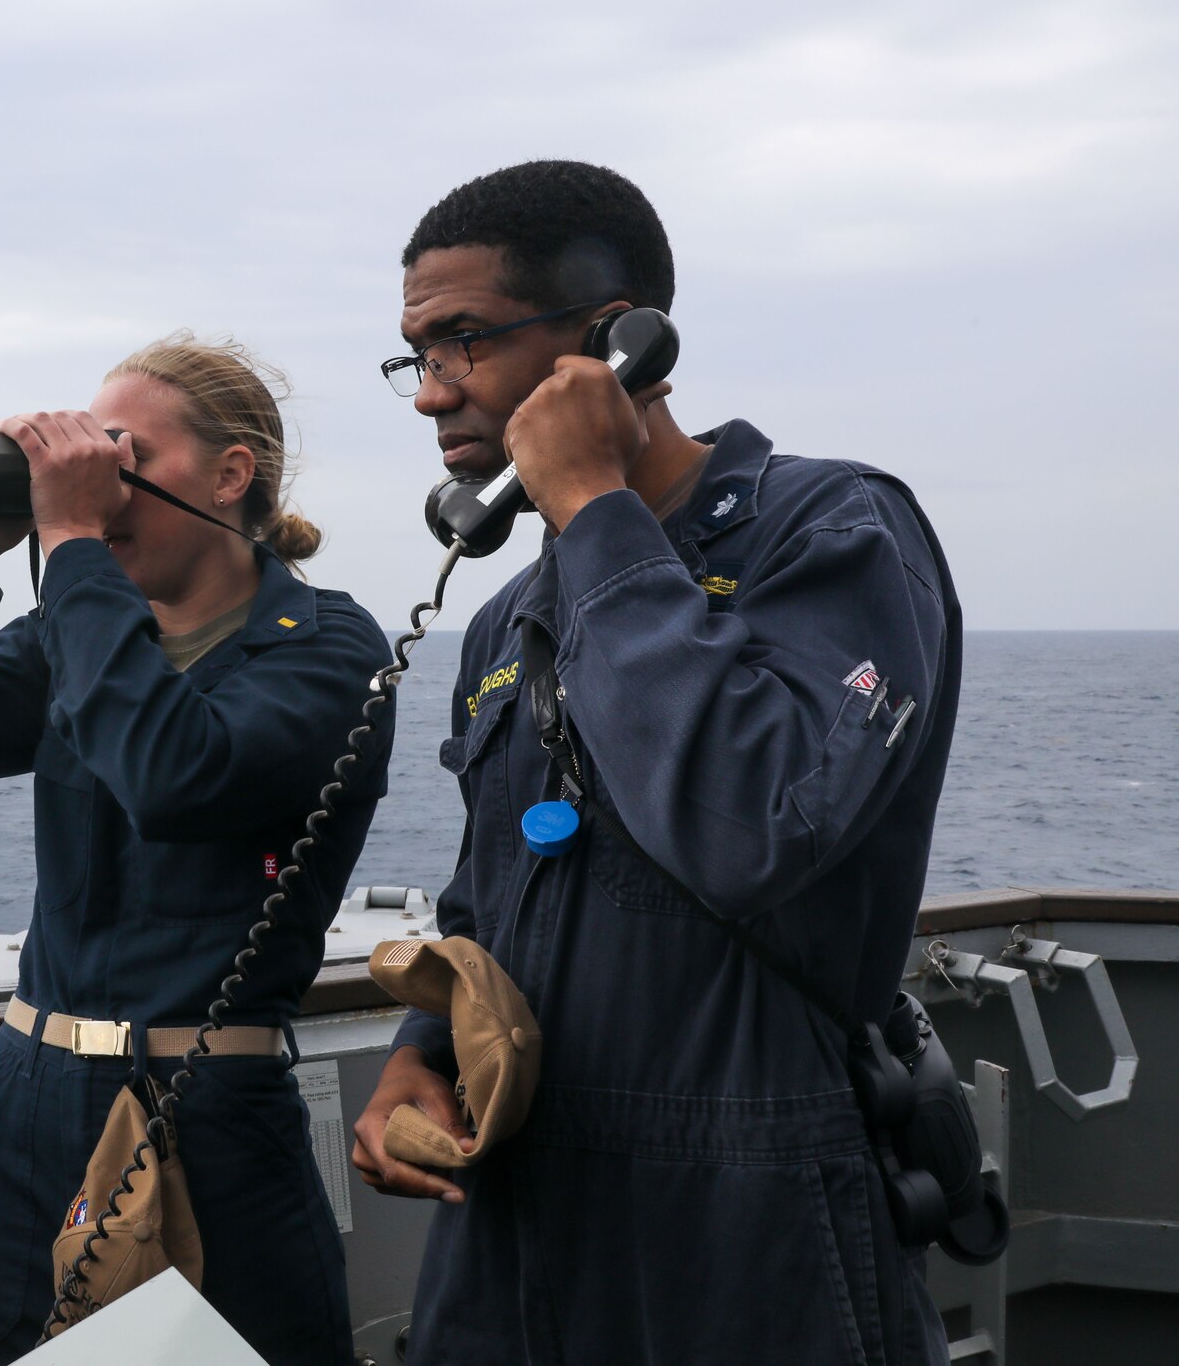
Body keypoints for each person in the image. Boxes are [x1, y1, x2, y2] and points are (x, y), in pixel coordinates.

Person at [348, 161, 961, 1365]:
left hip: (747, 1210)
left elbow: (757, 821)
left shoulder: (831, 529)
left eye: (462, 340)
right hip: (515, 1220)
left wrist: (594, 507)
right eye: (413, 354)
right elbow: (490, 900)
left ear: (610, 341)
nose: (430, 392)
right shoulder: (509, 616)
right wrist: (421, 1054)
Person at [0, 334, 393, 1366]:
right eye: (86, 454)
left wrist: (76, 541)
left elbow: (174, 775)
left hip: (204, 1110)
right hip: (29, 1095)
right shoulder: (71, 638)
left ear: (230, 474)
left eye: (126, 454)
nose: (95, 480)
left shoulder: (322, 647)